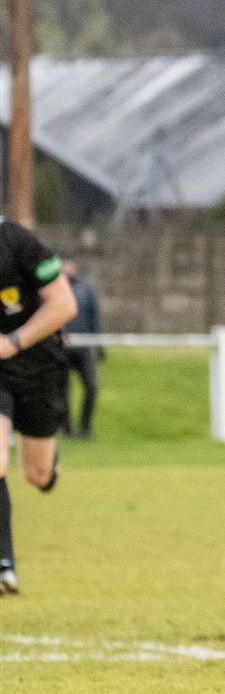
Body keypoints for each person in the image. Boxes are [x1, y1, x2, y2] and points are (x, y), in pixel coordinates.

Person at [0, 220, 78, 596]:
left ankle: (49, 466)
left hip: (39, 363)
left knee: (37, 474)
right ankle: (4, 564)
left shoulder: (18, 242)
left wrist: (14, 341)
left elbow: (65, 304)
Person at [61, 256, 102, 440]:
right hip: (60, 347)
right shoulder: (50, 288)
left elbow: (94, 316)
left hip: (83, 346)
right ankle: (66, 429)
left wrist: (99, 345)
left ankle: (85, 428)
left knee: (92, 386)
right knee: (62, 391)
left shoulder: (85, 288)